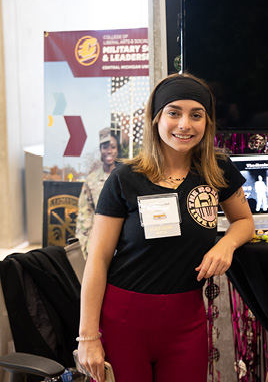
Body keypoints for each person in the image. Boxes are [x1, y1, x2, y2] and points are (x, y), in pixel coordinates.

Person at [76, 73, 255, 382]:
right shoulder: (124, 178)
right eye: (174, 112)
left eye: (196, 115)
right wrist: (88, 338)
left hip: (187, 319)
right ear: (156, 118)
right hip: (124, 317)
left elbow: (244, 221)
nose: (185, 124)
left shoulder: (218, 170)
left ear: (207, 122)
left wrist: (226, 244)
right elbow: (98, 259)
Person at [76, 127, 120, 258]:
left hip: (121, 246)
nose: (109, 151)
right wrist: (82, 247)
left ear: (117, 150)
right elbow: (85, 215)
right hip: (97, 244)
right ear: (100, 150)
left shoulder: (126, 178)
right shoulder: (91, 180)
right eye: (105, 147)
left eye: (113, 147)